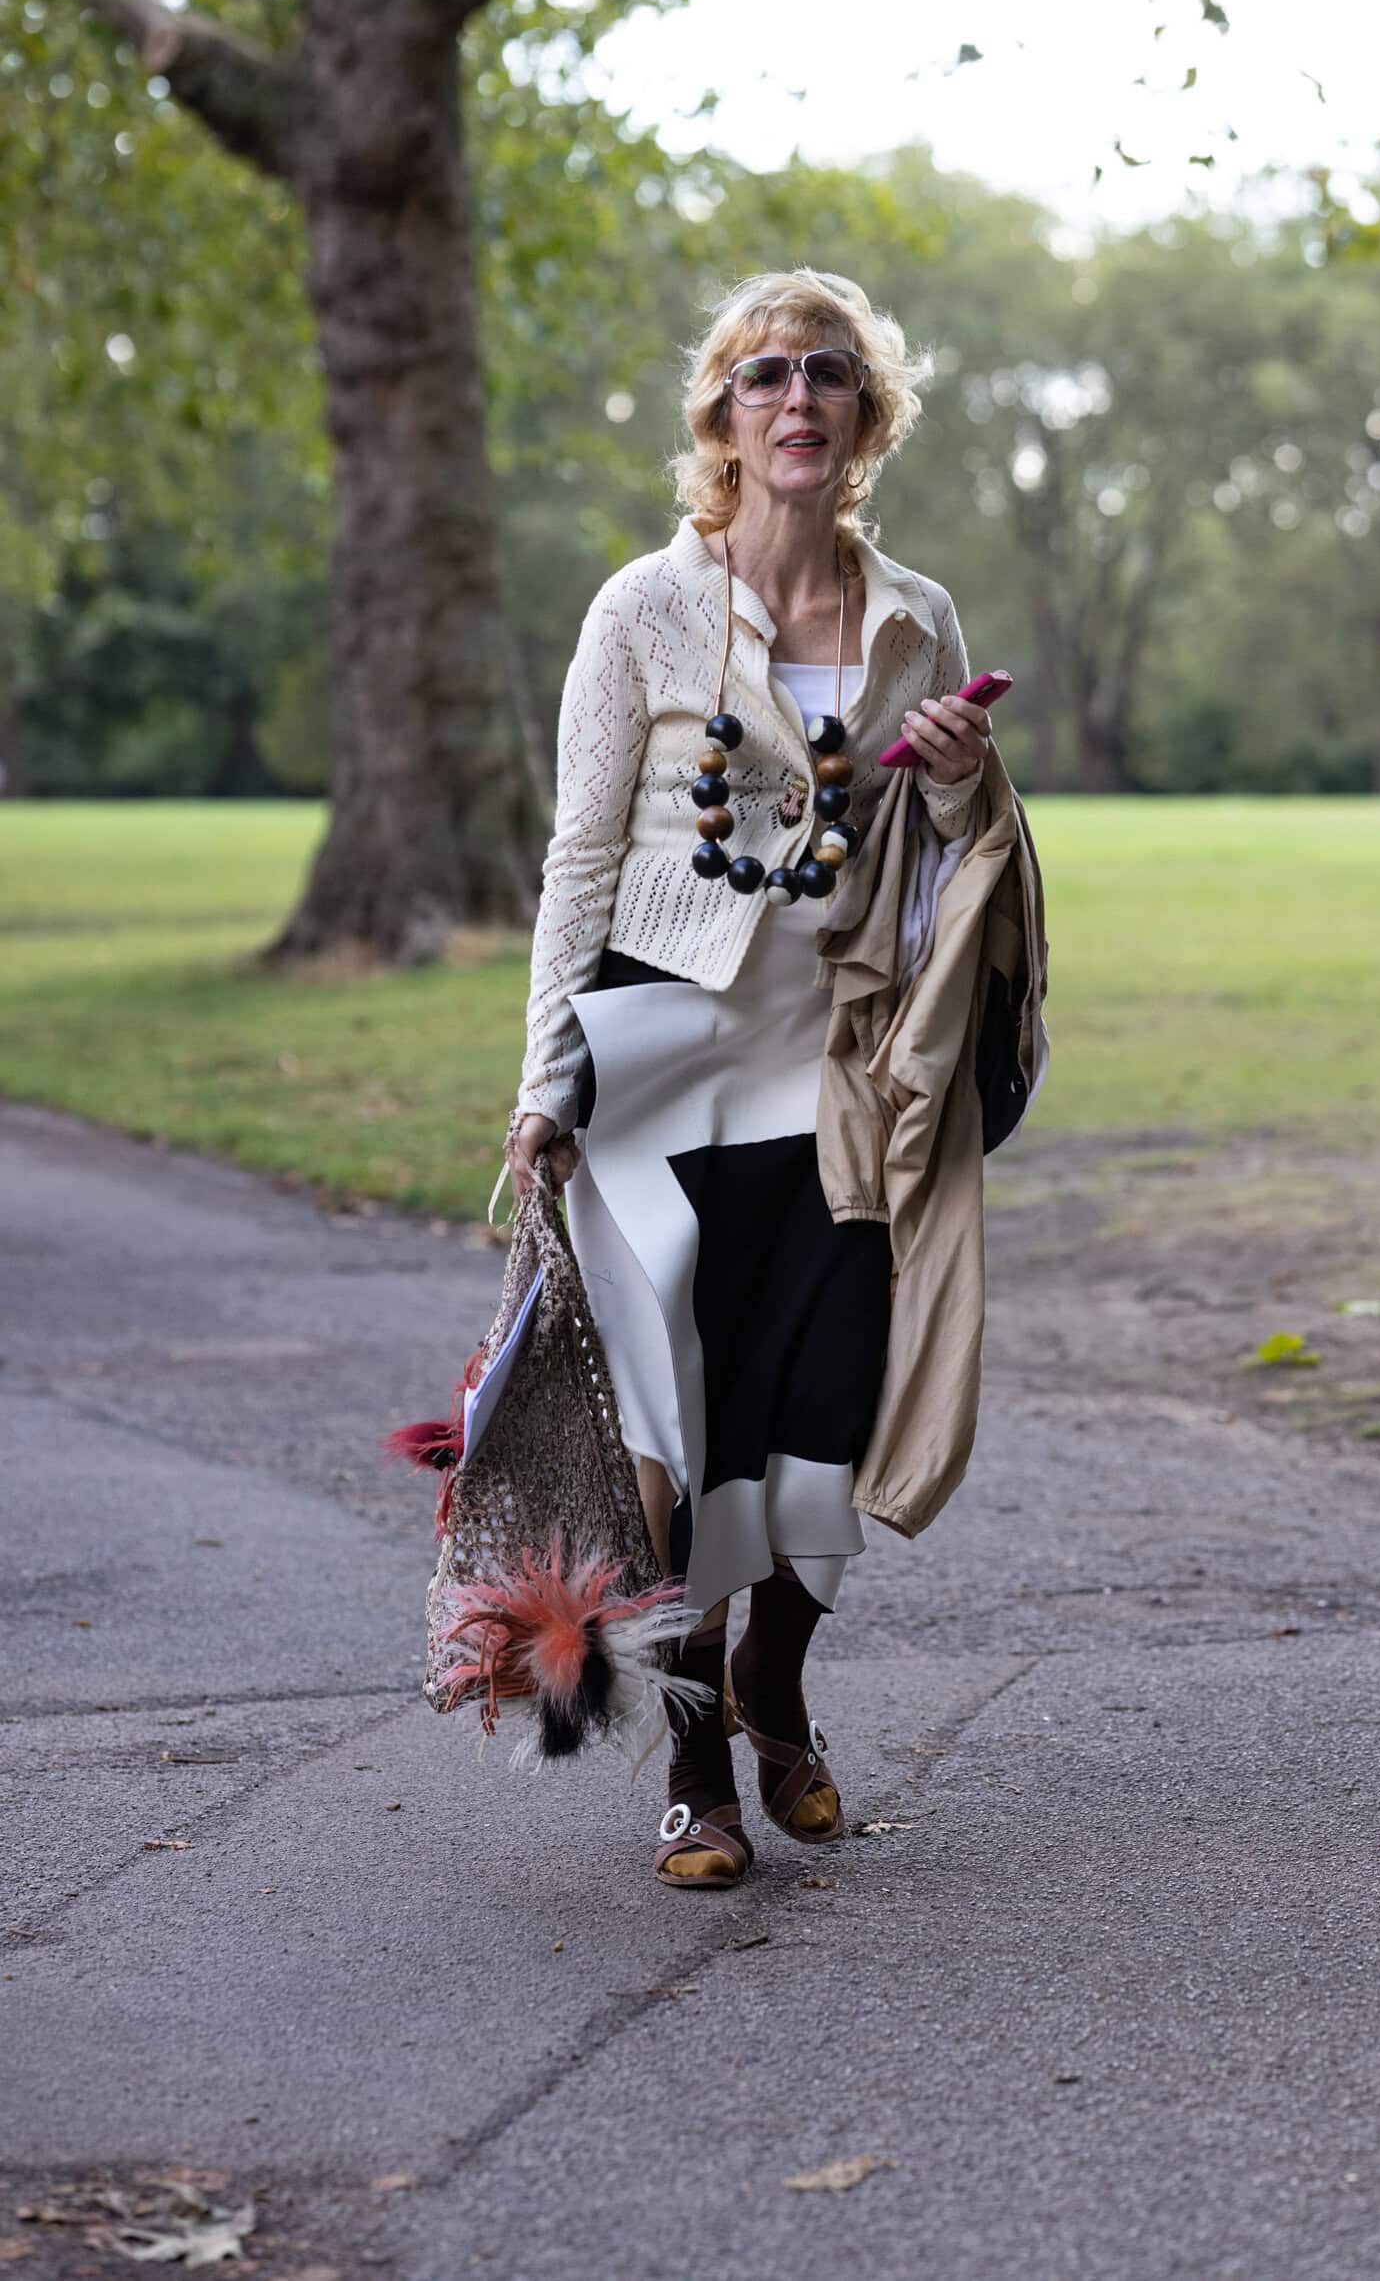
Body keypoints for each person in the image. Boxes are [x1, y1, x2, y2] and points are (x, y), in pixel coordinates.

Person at [505, 268, 996, 1888]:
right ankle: (696, 1757)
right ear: (722, 416)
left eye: (829, 373)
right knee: (683, 1409)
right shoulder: (642, 609)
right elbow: (582, 858)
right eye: (766, 375)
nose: (798, 399)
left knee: (825, 1391)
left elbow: (938, 857)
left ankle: (774, 1671)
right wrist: (547, 1076)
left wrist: (962, 785)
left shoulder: (916, 617)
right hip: (661, 1049)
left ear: (868, 414)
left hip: (839, 1060)